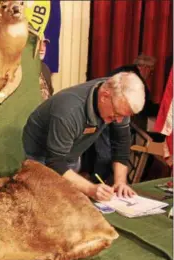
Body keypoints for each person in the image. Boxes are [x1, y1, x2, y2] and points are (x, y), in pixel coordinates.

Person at [22, 72, 145, 201]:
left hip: (69, 154)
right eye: (116, 115)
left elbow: (121, 142)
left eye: (124, 116)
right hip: (39, 156)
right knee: (44, 203)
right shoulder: (68, 111)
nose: (119, 120)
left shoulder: (119, 100)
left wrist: (120, 182)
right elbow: (55, 162)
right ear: (105, 96)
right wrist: (91, 189)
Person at [88, 54, 156, 183]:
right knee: (105, 155)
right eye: (151, 72)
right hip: (106, 116)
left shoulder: (122, 73)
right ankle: (98, 183)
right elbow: (146, 107)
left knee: (110, 152)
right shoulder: (133, 79)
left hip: (105, 114)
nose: (150, 76)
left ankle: (100, 182)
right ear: (144, 67)